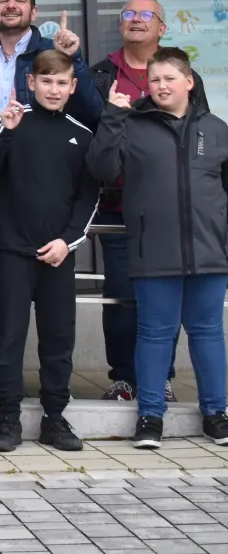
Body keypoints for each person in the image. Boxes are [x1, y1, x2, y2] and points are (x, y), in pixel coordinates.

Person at [88, 47, 228, 449]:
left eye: (170, 78)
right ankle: (150, 416)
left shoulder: (216, 129)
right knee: (153, 335)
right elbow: (101, 169)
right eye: (155, 80)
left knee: (207, 335)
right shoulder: (131, 125)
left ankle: (215, 414)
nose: (161, 86)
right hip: (154, 251)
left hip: (208, 254)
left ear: (189, 81)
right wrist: (112, 116)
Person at [87, 0, 208, 401]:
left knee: (163, 301)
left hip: (171, 213)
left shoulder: (180, 74)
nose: (135, 21)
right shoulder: (101, 74)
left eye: (145, 15)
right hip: (117, 208)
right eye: (128, 14)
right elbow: (91, 139)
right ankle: (122, 376)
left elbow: (196, 135)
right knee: (122, 296)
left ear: (162, 26)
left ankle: (162, 379)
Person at [0, 50, 98, 453]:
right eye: (45, 81)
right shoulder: (10, 123)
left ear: (72, 87)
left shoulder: (81, 135)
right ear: (30, 82)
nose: (53, 89)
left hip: (57, 255)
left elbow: (88, 199)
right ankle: (8, 419)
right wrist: (7, 132)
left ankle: (54, 417)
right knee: (7, 337)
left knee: (57, 339)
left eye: (61, 82)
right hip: (9, 252)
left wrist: (67, 242)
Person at [0, 0, 101, 130]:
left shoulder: (52, 53)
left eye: (20, 0)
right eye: (3, 0)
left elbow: (92, 115)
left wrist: (73, 58)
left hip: (39, 152)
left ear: (34, 13)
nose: (11, 5)